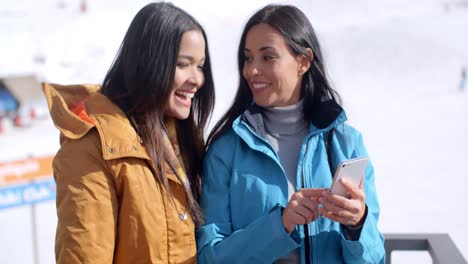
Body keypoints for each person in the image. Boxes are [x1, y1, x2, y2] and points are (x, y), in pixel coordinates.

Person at [197, 4, 385, 264]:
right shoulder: (226, 151)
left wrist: (357, 225)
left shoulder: (346, 143)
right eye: (248, 57)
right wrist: (280, 224)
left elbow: (373, 258)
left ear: (303, 61)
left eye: (267, 57)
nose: (251, 70)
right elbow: (210, 257)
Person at [43, 2, 215, 263]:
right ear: (148, 63)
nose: (197, 79)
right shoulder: (92, 148)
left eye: (200, 66)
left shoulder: (180, 137)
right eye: (183, 64)